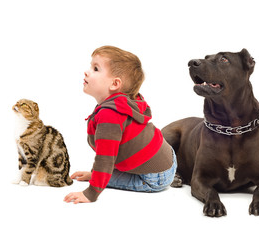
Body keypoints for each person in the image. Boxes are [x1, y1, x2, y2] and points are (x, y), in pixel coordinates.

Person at [63, 46, 176, 204]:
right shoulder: (121, 103)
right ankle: (98, 177)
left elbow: (106, 158)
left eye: (95, 68)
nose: (87, 72)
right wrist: (93, 174)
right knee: (104, 173)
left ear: (115, 84)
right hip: (166, 157)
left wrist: (90, 193)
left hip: (154, 177)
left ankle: (99, 180)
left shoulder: (110, 114)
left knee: (106, 177)